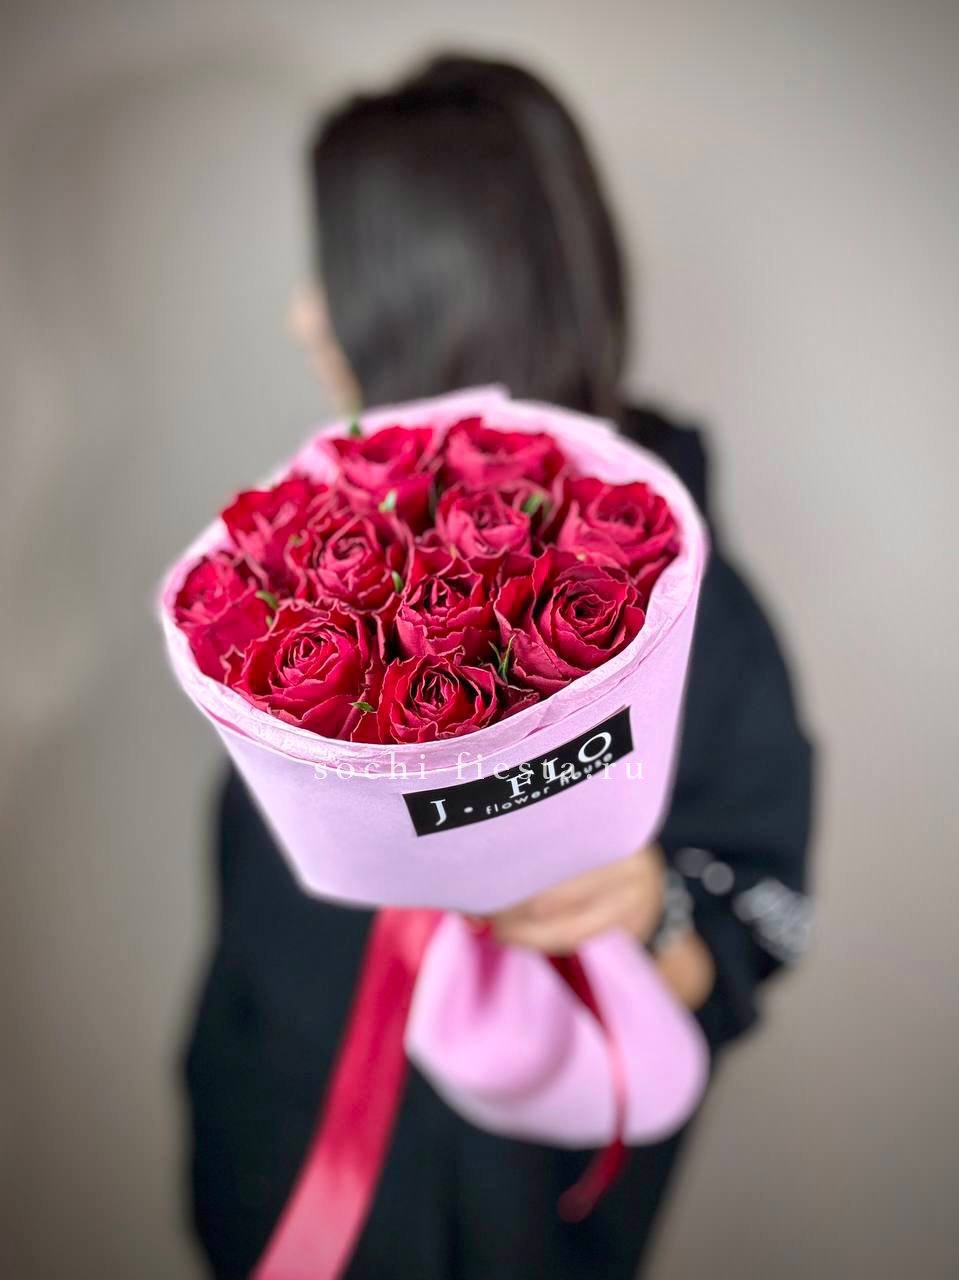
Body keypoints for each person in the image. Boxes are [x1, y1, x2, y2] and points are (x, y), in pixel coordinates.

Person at [184, 54, 814, 1279]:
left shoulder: (694, 612)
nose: (305, 316)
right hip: (268, 1172)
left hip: (516, 1228)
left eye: (336, 271)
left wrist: (650, 904)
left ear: (437, 283)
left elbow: (760, 918)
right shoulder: (311, 568)